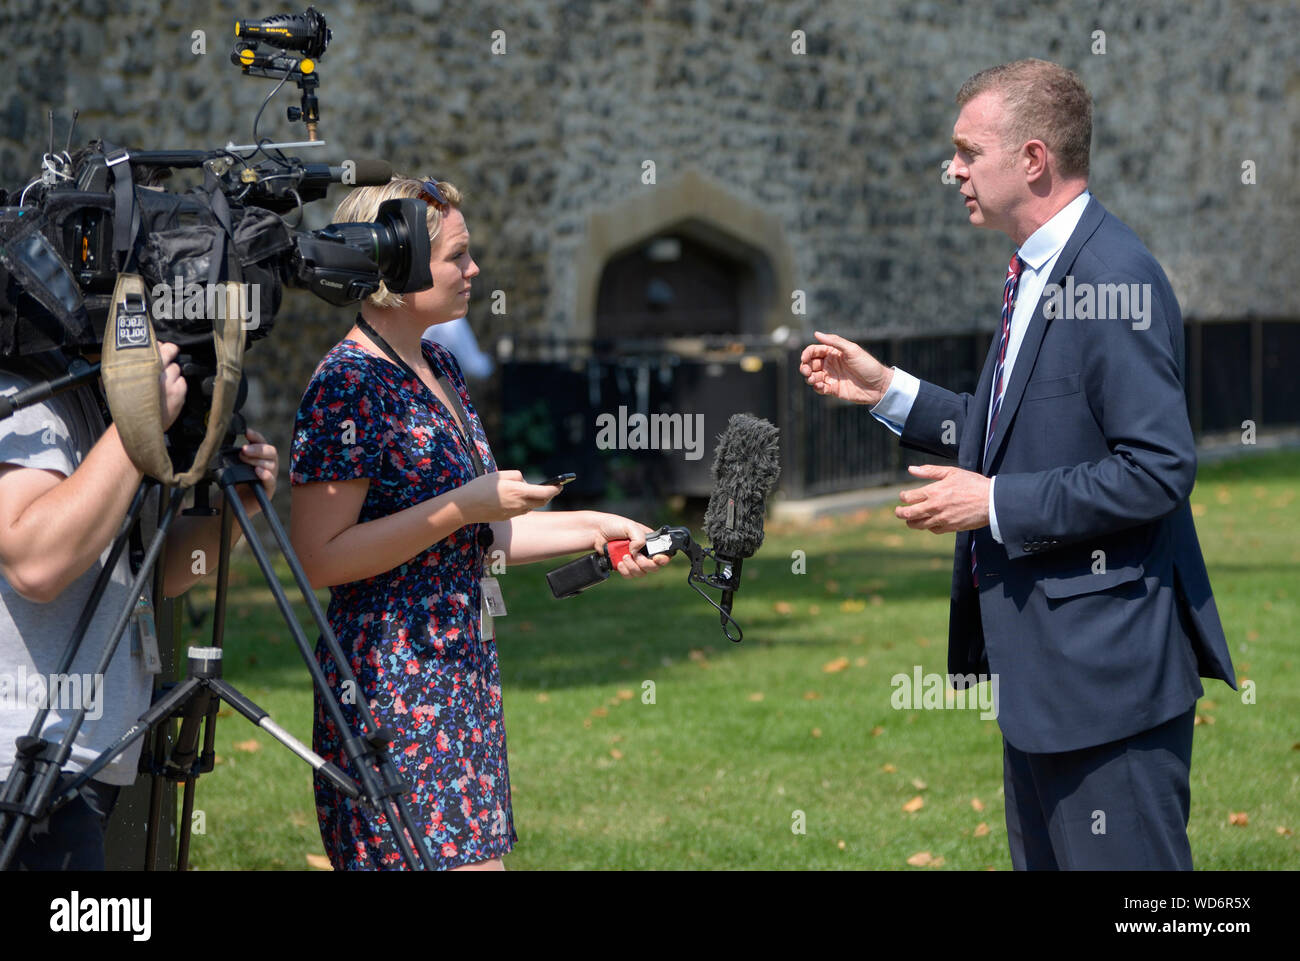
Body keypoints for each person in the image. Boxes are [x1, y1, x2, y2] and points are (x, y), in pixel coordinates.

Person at [799, 59, 1235, 870]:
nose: (953, 170)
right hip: (1044, 685)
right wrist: (889, 389)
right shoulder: (1036, 270)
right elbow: (1015, 429)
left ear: (1032, 158)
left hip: (1107, 686)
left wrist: (994, 503)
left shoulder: (1113, 276)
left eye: (968, 151)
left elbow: (1157, 469)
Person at [289, 175, 669, 871]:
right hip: (390, 685)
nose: (475, 271)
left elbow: (480, 534)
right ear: (397, 265)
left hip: (460, 677)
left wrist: (604, 526)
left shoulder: (437, 363)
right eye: (457, 256)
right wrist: (465, 503)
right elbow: (319, 556)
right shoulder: (347, 383)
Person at [0, 345, 279, 870]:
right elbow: (35, 564)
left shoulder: (100, 400)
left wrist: (232, 515)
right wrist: (136, 429)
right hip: (24, 757)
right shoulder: (27, 394)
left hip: (86, 755)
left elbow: (159, 572)